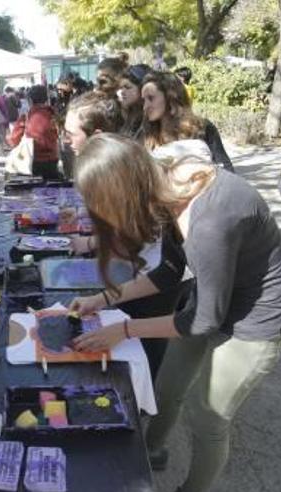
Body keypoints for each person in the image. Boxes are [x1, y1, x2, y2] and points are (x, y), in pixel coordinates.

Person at [69, 133, 281, 492]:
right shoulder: (162, 184)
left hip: (259, 315)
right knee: (169, 386)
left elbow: (204, 321)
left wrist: (126, 329)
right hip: (214, 297)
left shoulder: (209, 220)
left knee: (207, 415)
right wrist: (104, 299)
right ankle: (152, 451)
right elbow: (169, 271)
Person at [61, 91, 178, 380]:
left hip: (171, 305)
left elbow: (170, 281)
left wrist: (124, 329)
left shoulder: (175, 211)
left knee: (147, 370)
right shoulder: (141, 195)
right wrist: (102, 299)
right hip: (147, 288)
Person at [140, 71, 234, 172]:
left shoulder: (202, 127)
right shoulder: (146, 132)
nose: (145, 106)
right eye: (143, 100)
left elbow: (226, 170)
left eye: (151, 98)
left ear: (170, 97)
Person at [6, 85, 60, 180]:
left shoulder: (26, 118)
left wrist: (8, 138)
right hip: (52, 160)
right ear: (46, 99)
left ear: (30, 100)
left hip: (32, 162)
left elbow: (14, 140)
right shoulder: (54, 115)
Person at [117, 67, 145, 136]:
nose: (122, 92)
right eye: (121, 88)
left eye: (127, 87)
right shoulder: (126, 116)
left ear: (142, 88)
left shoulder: (148, 120)